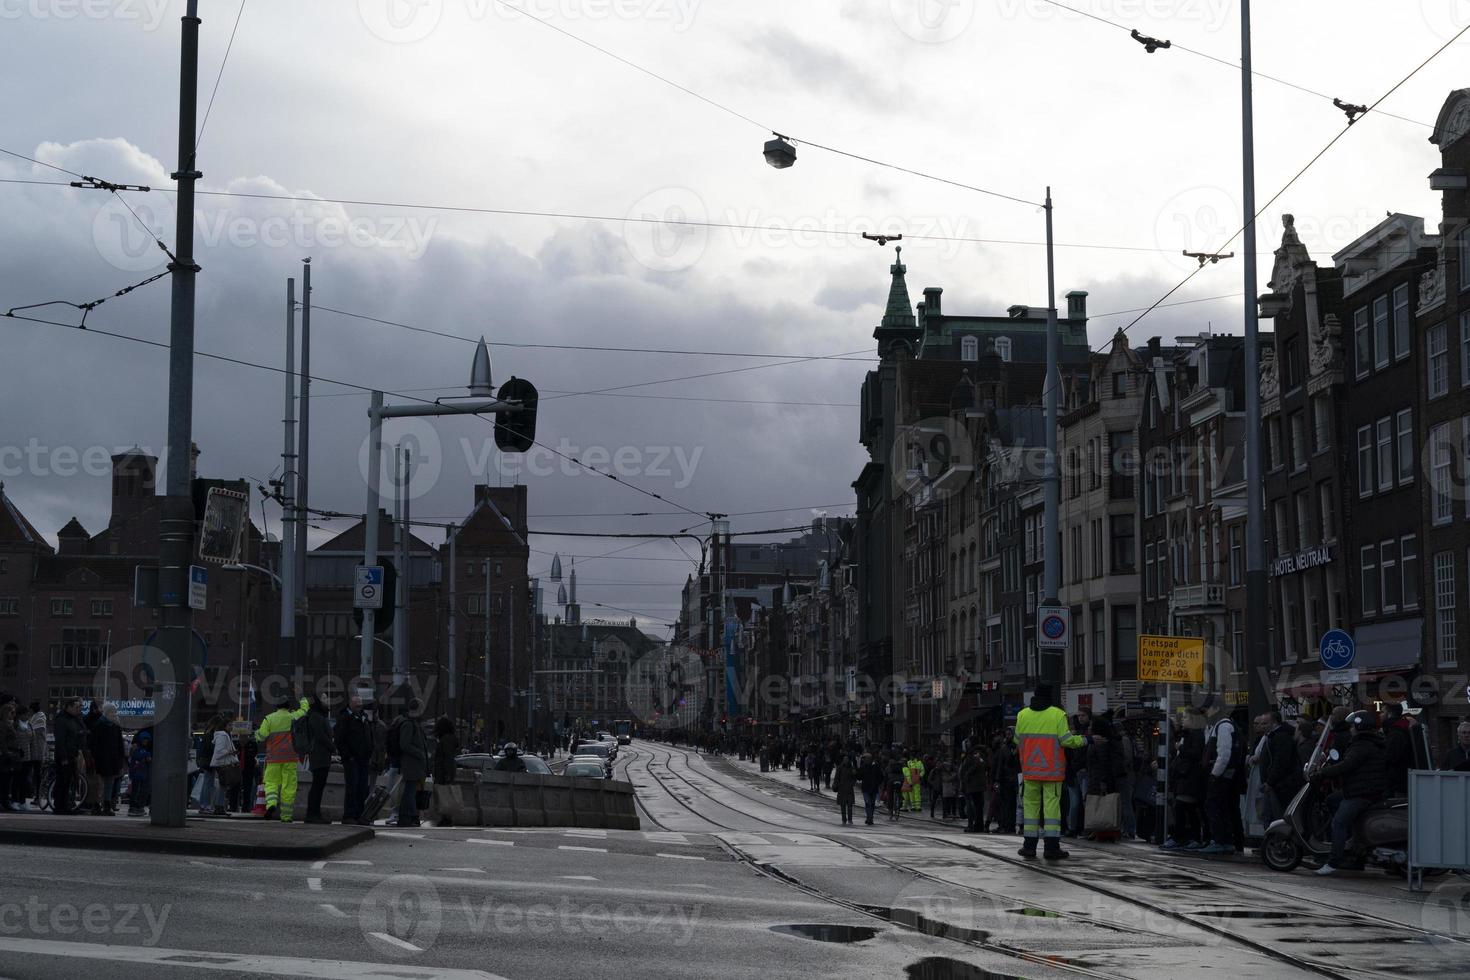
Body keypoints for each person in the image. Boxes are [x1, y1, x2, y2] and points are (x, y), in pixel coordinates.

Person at [1014, 683, 1086, 860]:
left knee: (1031, 809)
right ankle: (1051, 848)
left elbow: (1017, 740)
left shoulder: (1022, 715)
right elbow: (1067, 740)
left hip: (1030, 771)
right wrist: (1085, 739)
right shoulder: (1057, 714)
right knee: (1051, 809)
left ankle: (1029, 846)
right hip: (1052, 772)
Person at [1312, 711, 1387, 876]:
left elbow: (1347, 765)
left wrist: (1323, 773)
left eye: (1353, 725)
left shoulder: (1362, 745)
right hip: (1360, 789)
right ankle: (1350, 838)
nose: (1351, 728)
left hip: (1362, 792)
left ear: (1359, 726)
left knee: (1338, 822)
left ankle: (1334, 861)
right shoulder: (1368, 742)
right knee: (1332, 800)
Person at [253, 693, 311, 822]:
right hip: (290, 757)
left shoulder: (269, 719)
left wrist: (256, 733)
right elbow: (304, 711)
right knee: (289, 786)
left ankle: (272, 803)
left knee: (271, 783)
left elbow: (261, 737)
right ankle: (286, 816)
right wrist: (302, 698)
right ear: (288, 706)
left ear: (277, 707)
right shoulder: (293, 717)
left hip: (273, 757)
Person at [1197, 706, 1247, 855]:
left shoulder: (1223, 726)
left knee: (1214, 806)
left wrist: (1214, 774)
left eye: (1207, 709)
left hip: (1221, 775)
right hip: (1227, 775)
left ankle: (1221, 840)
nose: (1205, 713)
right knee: (1225, 807)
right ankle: (1228, 841)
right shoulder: (1221, 726)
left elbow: (1224, 753)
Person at [1258, 709, 1304, 825]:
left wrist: (1270, 781)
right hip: (1274, 784)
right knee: (1268, 815)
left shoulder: (1281, 737)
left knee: (1275, 815)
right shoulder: (1271, 737)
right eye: (1261, 723)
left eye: (1265, 723)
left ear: (1274, 723)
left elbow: (1280, 762)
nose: (1261, 726)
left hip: (1281, 785)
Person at [335, 696, 372, 826]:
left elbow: (368, 736)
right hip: (352, 760)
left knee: (362, 787)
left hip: (363, 759)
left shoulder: (363, 718)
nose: (360, 708)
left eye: (361, 705)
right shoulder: (345, 718)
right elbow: (339, 739)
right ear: (350, 705)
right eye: (357, 706)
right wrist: (348, 756)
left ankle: (359, 814)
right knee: (352, 787)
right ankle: (349, 814)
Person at [393, 703, 430, 827]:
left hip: (414, 764)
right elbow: (404, 744)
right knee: (410, 791)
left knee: (410, 791)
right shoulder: (409, 724)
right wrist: (419, 753)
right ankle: (410, 816)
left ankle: (405, 817)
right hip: (411, 764)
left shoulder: (413, 724)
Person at [88, 703, 125, 816]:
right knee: (101, 783)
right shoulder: (102, 725)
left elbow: (119, 744)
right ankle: (100, 805)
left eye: (115, 712)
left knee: (107, 783)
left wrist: (120, 758)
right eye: (112, 712)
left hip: (110, 759)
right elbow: (94, 744)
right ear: (107, 713)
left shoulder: (110, 725)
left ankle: (104, 804)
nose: (114, 714)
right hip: (103, 758)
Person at [303, 697, 334, 824]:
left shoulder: (318, 716)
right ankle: (312, 814)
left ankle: (315, 813)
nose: (328, 701)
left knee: (318, 786)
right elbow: (321, 736)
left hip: (321, 755)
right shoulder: (315, 716)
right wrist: (333, 747)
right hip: (319, 756)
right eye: (325, 699)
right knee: (317, 786)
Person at [52, 698, 85, 815]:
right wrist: (63, 757)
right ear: (69, 707)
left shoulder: (73, 719)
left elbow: (77, 733)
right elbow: (60, 740)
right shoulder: (62, 720)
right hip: (64, 756)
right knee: (63, 781)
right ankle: (59, 806)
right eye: (76, 707)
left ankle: (65, 805)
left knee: (68, 781)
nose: (78, 709)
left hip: (72, 754)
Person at [209, 711, 241, 817]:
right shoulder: (223, 736)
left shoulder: (224, 735)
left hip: (221, 764)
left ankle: (219, 807)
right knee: (222, 786)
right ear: (225, 726)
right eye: (230, 725)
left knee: (222, 786)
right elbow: (219, 752)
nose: (232, 727)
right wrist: (231, 752)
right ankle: (219, 807)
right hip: (222, 764)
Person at [1380, 703, 1414, 795]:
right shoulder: (1401, 728)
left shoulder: (1395, 733)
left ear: (1389, 713)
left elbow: (1390, 757)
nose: (1380, 715)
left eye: (1383, 712)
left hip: (1397, 783)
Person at [958, 747, 988, 833]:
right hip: (978, 786)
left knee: (972, 806)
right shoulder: (979, 759)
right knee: (978, 806)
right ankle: (978, 825)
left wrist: (967, 776)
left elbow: (963, 772)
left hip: (971, 787)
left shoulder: (971, 758)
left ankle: (972, 825)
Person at [0, 702, 21, 811]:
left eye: (14, 712)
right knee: (5, 780)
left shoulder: (11, 724)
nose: (14, 714)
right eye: (12, 712)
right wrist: (6, 752)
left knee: (8, 779)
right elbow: (2, 740)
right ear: (6, 713)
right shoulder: (4, 725)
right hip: (7, 755)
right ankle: (4, 801)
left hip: (12, 755)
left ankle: (5, 801)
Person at [127, 731, 152, 815]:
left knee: (139, 790)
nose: (146, 741)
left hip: (140, 773)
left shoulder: (141, 749)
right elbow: (136, 756)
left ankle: (137, 807)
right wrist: (147, 755)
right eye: (144, 740)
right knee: (136, 791)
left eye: (147, 740)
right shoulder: (138, 749)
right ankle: (134, 807)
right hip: (137, 773)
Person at [27, 703, 47, 808]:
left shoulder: (40, 717)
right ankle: (36, 796)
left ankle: (38, 797)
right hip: (34, 750)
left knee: (37, 775)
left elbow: (33, 730)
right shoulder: (36, 717)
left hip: (38, 751)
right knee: (35, 775)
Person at [857, 752, 884, 826]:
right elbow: (859, 777)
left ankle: (870, 817)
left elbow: (881, 776)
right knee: (868, 803)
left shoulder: (876, 766)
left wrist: (877, 783)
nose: (865, 760)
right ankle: (869, 818)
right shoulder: (863, 766)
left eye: (865, 759)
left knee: (871, 804)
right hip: (866, 788)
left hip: (873, 788)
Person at [433, 716, 459, 785]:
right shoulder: (448, 739)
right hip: (444, 773)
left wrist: (447, 775)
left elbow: (448, 757)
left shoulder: (446, 740)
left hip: (442, 773)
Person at [833, 756, 856, 825]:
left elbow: (854, 777)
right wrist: (837, 784)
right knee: (843, 805)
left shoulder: (852, 768)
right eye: (844, 759)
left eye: (846, 759)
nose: (845, 761)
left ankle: (850, 819)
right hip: (842, 789)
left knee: (849, 806)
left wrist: (852, 783)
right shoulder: (840, 768)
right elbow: (836, 777)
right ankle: (844, 819)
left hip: (849, 789)